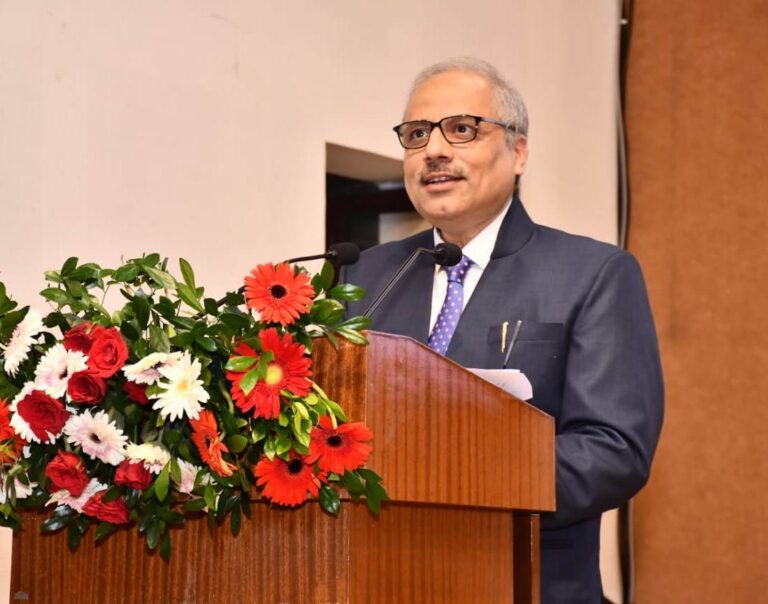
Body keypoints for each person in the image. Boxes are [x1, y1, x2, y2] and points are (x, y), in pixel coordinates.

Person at [343, 57, 664, 603]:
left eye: (461, 129)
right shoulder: (365, 275)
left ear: (518, 153)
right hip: (383, 578)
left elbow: (614, 450)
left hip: (529, 584)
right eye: (417, 134)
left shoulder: (592, 273)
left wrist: (462, 475)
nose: (435, 151)